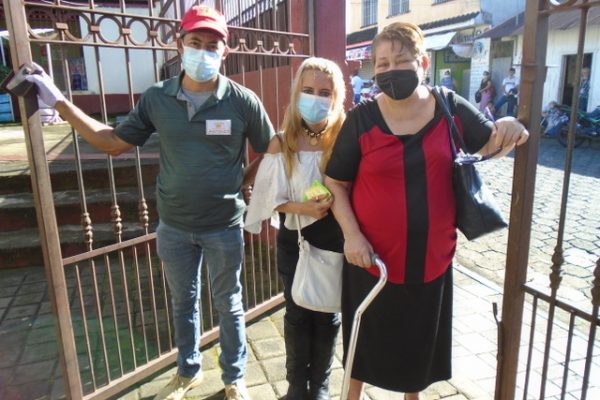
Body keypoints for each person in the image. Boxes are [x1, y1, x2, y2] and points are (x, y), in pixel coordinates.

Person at [22, 5, 275, 400]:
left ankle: (234, 377)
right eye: (196, 43)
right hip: (173, 225)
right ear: (180, 44)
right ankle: (188, 371)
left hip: (224, 224)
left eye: (212, 45)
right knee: (182, 302)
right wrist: (60, 103)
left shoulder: (242, 101)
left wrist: (240, 180)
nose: (204, 52)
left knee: (230, 304)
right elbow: (112, 143)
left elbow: (271, 150)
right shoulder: (157, 98)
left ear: (225, 51)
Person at [323, 22, 529, 400]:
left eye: (400, 61)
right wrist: (352, 235)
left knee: (417, 353)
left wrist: (511, 124)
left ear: (423, 61)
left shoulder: (449, 107)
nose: (389, 71)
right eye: (381, 64)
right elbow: (336, 183)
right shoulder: (361, 120)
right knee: (363, 348)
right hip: (371, 261)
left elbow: (491, 143)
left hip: (431, 261)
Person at [244, 57, 346, 400]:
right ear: (296, 92)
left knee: (327, 313)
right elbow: (267, 200)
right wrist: (301, 207)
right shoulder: (281, 142)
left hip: (335, 240)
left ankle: (319, 387)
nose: (315, 98)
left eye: (324, 92)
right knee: (298, 312)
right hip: (296, 240)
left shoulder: (345, 138)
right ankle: (295, 389)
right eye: (307, 90)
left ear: (336, 97)